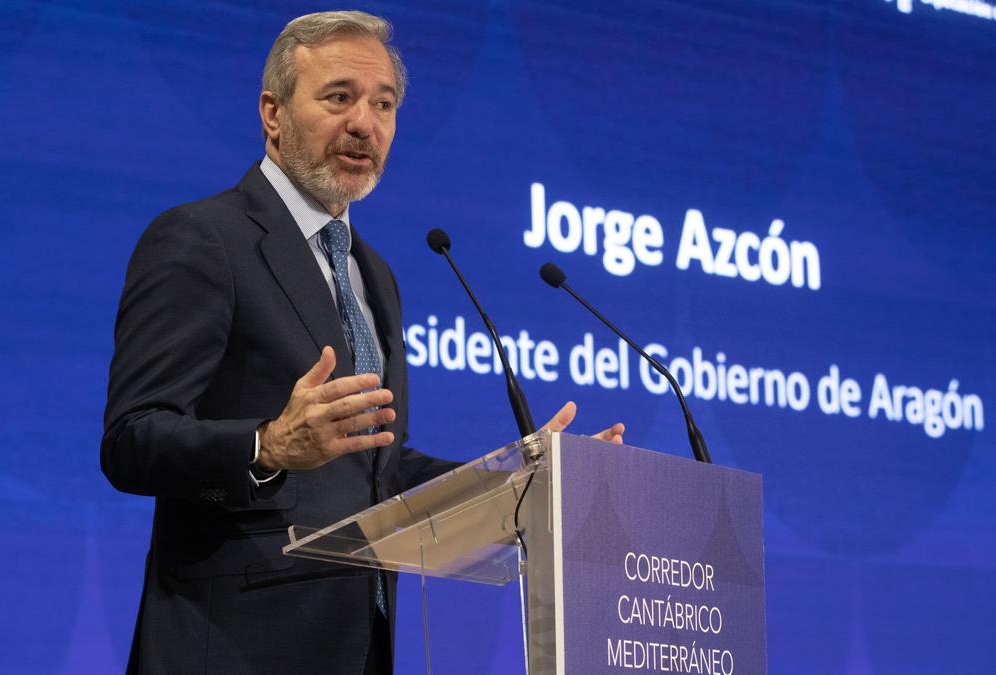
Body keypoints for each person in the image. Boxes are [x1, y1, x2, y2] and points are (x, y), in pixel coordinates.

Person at [101, 11, 623, 674]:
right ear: (273, 112)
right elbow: (131, 440)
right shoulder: (204, 240)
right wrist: (266, 446)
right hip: (231, 642)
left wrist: (526, 481)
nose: (364, 124)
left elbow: (376, 465)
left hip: (358, 645)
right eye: (338, 97)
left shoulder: (372, 272)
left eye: (384, 104)